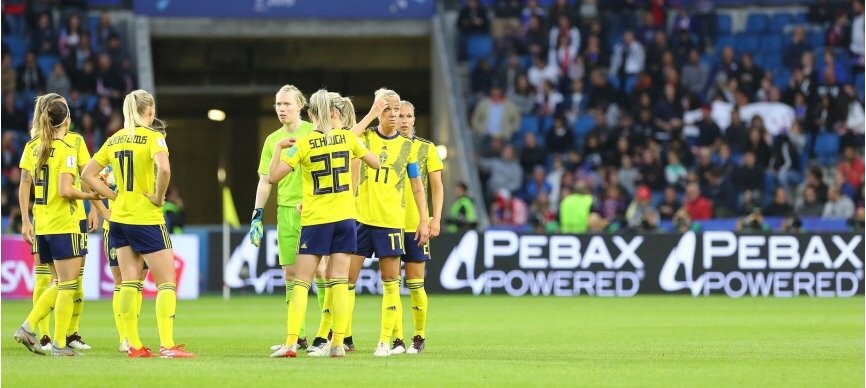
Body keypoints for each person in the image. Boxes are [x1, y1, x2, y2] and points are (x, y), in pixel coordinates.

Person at [81, 89, 195, 358]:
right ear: (151, 111)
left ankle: (134, 345)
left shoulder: (115, 139)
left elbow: (87, 174)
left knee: (129, 282)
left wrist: (113, 195)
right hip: (146, 219)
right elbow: (165, 169)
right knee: (167, 282)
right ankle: (167, 345)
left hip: (119, 220)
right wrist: (158, 196)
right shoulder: (154, 138)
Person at [267, 89, 381, 358]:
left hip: (316, 220)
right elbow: (375, 163)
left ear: (310, 113)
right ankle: (338, 343)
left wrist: (279, 150)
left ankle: (291, 342)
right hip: (345, 219)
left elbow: (273, 177)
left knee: (301, 282)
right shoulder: (347, 138)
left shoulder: (303, 144)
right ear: (334, 112)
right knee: (339, 281)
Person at [14, 93, 100, 356]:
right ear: (67, 119)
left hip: (44, 223)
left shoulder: (33, 146)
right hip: (65, 221)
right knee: (66, 284)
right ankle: (47, 337)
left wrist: (26, 220)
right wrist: (93, 198)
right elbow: (69, 188)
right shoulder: (67, 148)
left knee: (59, 281)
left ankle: (47, 334)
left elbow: (25, 183)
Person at [347, 88, 431, 357]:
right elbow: (347, 138)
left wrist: (424, 219)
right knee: (346, 280)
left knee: (390, 281)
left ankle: (385, 340)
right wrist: (371, 112)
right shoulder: (367, 138)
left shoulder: (409, 148)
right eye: (388, 109)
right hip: (361, 219)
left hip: (391, 221)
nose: (394, 115)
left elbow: (417, 186)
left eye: (397, 110)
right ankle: (342, 338)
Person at [248, 85, 315, 352]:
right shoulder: (272, 140)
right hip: (286, 212)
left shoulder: (313, 132)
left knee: (320, 272)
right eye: (278, 104)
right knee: (289, 273)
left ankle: (326, 335)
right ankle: (296, 335)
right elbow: (266, 181)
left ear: (300, 105)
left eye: (286, 104)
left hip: (313, 210)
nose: (281, 109)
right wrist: (257, 215)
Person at [387, 100, 444, 355]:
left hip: (415, 224)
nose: (404, 120)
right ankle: (397, 339)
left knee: (415, 283)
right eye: (400, 115)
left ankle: (419, 337)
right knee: (391, 283)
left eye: (409, 116)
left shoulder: (426, 148)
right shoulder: (384, 147)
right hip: (388, 221)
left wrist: (435, 218)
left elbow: (437, 186)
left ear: (413, 119)